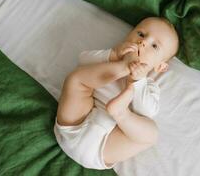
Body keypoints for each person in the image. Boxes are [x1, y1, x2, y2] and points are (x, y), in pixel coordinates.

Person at [54, 17, 179, 169]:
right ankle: (123, 68)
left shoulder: (149, 86)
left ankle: (121, 113)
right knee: (75, 78)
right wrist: (113, 54)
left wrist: (137, 82)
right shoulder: (110, 58)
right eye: (141, 34)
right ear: (129, 36)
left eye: (154, 46)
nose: (143, 42)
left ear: (160, 67)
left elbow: (147, 110)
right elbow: (83, 60)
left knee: (151, 134)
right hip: (74, 123)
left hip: (104, 145)